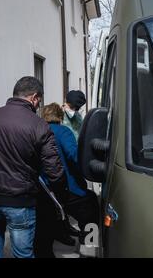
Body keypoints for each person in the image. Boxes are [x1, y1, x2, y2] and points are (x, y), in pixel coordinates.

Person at [0, 77, 67, 258]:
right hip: (19, 199)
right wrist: (61, 194)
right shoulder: (39, 125)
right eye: (39, 101)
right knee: (23, 253)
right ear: (34, 97)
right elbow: (54, 171)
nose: (39, 105)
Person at [38, 103, 99, 254]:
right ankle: (90, 249)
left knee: (45, 227)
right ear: (59, 116)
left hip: (43, 189)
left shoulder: (37, 131)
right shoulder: (63, 131)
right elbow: (74, 156)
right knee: (91, 209)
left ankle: (57, 238)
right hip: (67, 187)